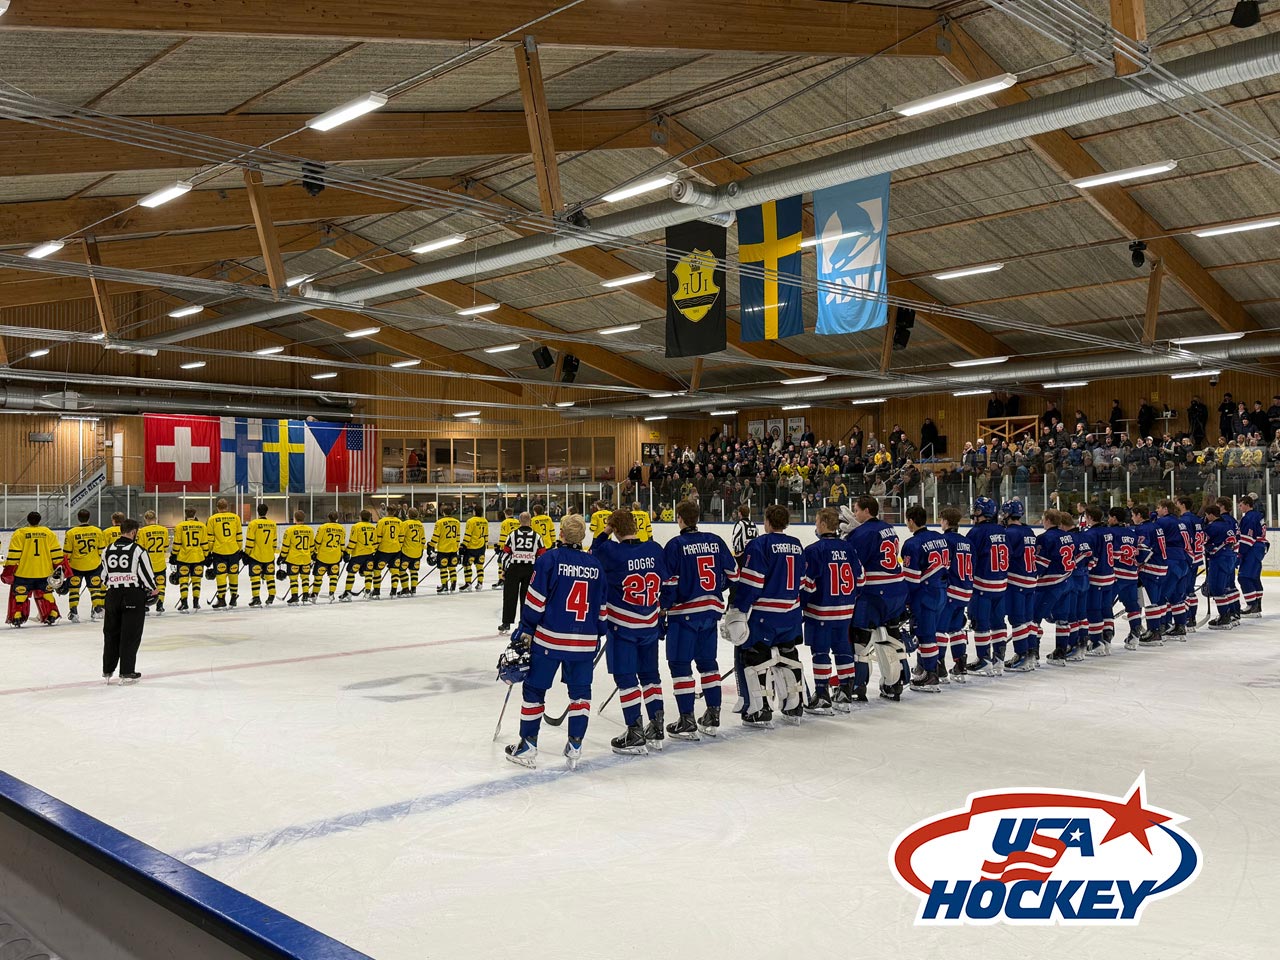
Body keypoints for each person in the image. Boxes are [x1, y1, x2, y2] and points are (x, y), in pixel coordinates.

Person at [501, 514, 606, 770]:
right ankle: (576, 745)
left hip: (549, 641)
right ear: (582, 537)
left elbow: (535, 601)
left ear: (560, 534)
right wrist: (598, 633)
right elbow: (601, 609)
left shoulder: (550, 559)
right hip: (583, 644)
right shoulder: (596, 565)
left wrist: (525, 628)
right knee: (581, 695)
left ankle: (527, 745)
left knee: (535, 690)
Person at [592, 509, 669, 754]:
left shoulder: (610, 551)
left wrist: (605, 531)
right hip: (649, 625)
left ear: (615, 529)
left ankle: (635, 731)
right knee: (650, 676)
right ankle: (656, 726)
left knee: (626, 679)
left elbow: (593, 550)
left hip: (623, 627)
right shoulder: (655, 549)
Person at [661, 499, 737, 738]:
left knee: (680, 665)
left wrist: (663, 607)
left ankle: (687, 719)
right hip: (709, 614)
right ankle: (713, 715)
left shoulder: (675, 545)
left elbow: (669, 583)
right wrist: (716, 589)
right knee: (708, 664)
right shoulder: (715, 541)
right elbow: (733, 573)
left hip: (684, 615)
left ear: (679, 519)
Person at [725, 504, 805, 725]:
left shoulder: (760, 544)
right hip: (790, 613)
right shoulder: (797, 545)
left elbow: (752, 583)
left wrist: (737, 609)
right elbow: (802, 582)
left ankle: (757, 709)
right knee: (788, 653)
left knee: (752, 654)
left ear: (767, 522)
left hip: (765, 615)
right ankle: (794, 705)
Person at [844, 495, 909, 701]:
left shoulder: (863, 533)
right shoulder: (888, 528)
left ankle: (858, 687)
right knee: (892, 635)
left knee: (860, 640)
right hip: (896, 590)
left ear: (866, 510)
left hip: (874, 592)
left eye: (856, 510)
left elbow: (854, 564)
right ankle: (896, 683)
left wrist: (848, 539)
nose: (854, 514)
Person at [799, 507, 862, 713]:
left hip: (821, 611)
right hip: (845, 611)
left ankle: (822, 694)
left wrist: (801, 605)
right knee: (843, 649)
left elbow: (807, 584)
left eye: (817, 522)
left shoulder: (814, 550)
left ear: (824, 524)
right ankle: (845, 692)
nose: (815, 526)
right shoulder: (849, 548)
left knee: (820, 651)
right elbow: (860, 579)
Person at [101, 518, 158, 684]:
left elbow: (103, 576)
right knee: (130, 634)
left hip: (112, 595)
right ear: (133, 532)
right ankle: (126, 671)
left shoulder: (107, 549)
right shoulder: (138, 550)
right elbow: (147, 575)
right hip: (133, 594)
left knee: (111, 632)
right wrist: (154, 589)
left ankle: (107, 670)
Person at [900, 506, 949, 693]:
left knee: (925, 635)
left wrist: (906, 601)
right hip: (941, 592)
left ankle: (931, 675)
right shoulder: (940, 538)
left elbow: (911, 580)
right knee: (932, 634)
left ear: (911, 520)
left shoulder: (912, 544)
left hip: (924, 595)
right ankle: (925, 669)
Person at [965, 497, 1009, 676]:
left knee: (980, 622)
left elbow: (969, 560)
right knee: (998, 622)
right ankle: (998, 659)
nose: (974, 513)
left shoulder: (976, 532)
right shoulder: (1003, 530)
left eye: (977, 510)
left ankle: (984, 660)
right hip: (1001, 584)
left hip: (983, 584)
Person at [3, 511, 66, 627]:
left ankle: (17, 617)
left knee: (20, 596)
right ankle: (52, 613)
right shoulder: (48, 533)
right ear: (39, 520)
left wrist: (8, 569)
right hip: (44, 573)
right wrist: (61, 568)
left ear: (27, 520)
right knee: (47, 594)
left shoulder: (20, 533)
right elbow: (56, 554)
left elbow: (14, 555)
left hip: (24, 573)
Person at [1001, 500, 1041, 671]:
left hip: (1016, 580)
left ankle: (1022, 655)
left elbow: (1006, 558)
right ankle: (1031, 654)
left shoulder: (1010, 533)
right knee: (1028, 620)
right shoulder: (1029, 530)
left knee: (1017, 620)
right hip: (1031, 580)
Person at [938, 507, 973, 683]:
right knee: (956, 628)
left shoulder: (945, 541)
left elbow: (942, 566)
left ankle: (939, 667)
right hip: (966, 590)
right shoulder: (966, 542)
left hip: (951, 589)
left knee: (940, 629)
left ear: (945, 521)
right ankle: (960, 665)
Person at [499, 513, 544, 634]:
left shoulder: (512, 535)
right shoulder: (537, 536)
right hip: (530, 569)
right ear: (530, 521)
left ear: (519, 521)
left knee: (509, 596)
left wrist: (504, 569)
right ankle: (524, 623)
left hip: (514, 568)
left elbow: (506, 554)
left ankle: (506, 623)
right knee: (527, 598)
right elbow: (541, 555)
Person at [1082, 505, 1116, 654]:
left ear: (1089, 517)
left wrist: (1085, 571)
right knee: (1106, 608)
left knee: (1093, 609)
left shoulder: (1091, 534)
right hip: (1110, 575)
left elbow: (1092, 558)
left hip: (1097, 577)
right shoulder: (1108, 531)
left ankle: (1096, 642)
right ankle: (1106, 638)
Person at [1131, 505, 1167, 646]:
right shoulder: (1155, 526)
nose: (1132, 518)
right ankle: (1157, 629)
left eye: (1133, 514)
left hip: (1151, 568)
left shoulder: (1143, 529)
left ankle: (1154, 632)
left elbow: (1145, 549)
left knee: (1150, 601)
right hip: (1162, 566)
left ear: (1139, 515)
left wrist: (1137, 564)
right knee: (1156, 600)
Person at [64, 508, 107, 622]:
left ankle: (74, 612)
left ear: (78, 518)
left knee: (74, 589)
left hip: (76, 566)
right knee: (95, 589)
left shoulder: (71, 532)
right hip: (94, 565)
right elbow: (101, 550)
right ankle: (97, 610)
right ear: (89, 518)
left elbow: (67, 553)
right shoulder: (98, 531)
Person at [1156, 500, 1190, 639]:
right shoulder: (1180, 522)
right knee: (1176, 596)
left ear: (1165, 509)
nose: (1157, 510)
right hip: (1183, 560)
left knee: (1161, 595)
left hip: (1171, 561)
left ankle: (1161, 626)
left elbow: (1155, 538)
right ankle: (1180, 626)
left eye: (1158, 508)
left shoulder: (1164, 522)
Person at [1203, 503, 1241, 629]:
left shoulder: (1213, 527)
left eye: (1207, 515)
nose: (1206, 517)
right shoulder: (1227, 524)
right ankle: (1231, 613)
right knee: (1227, 586)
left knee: (1217, 588)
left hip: (1219, 559)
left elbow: (1202, 540)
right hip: (1230, 557)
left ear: (1212, 515)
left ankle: (1224, 617)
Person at [170, 507, 208, 613]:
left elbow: (177, 543)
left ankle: (184, 603)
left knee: (183, 581)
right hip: (198, 557)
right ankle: (196, 603)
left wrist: (173, 555)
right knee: (196, 581)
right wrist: (206, 555)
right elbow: (204, 543)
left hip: (183, 558)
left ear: (185, 515)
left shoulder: (180, 526)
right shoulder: (202, 526)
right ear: (195, 514)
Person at [1176, 495, 1205, 630]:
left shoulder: (1185, 520)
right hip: (1197, 557)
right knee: (1190, 589)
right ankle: (1191, 617)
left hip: (1188, 558)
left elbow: (1186, 541)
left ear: (1182, 504)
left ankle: (1188, 617)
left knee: (1185, 590)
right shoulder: (1196, 519)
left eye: (1177, 503)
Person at [1237, 494, 1268, 617]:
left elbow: (1247, 539)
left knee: (1244, 577)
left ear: (1246, 504)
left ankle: (1251, 606)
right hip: (1259, 548)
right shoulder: (1258, 515)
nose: (1240, 508)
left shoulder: (1248, 518)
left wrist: (1240, 554)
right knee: (1254, 577)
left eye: (1241, 505)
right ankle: (1257, 606)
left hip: (1252, 549)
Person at [278, 510, 315, 605]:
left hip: (293, 559)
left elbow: (286, 546)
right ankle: (305, 594)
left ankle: (295, 596)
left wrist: (281, 557)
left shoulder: (290, 530)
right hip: (306, 558)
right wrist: (312, 555)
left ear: (295, 518)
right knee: (305, 578)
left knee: (293, 579)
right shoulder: (310, 530)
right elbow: (312, 546)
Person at [244, 503, 278, 607]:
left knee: (255, 578)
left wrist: (247, 554)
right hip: (269, 555)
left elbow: (250, 541)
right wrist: (271, 552)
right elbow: (274, 542)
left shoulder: (253, 524)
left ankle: (256, 598)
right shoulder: (273, 524)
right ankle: (271, 595)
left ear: (257, 511)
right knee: (270, 576)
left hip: (256, 556)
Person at [138, 511, 171, 616]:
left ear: (145, 519)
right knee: (161, 584)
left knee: (145, 585)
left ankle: (146, 605)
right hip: (160, 562)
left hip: (147, 564)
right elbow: (165, 546)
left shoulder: (142, 531)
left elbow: (140, 548)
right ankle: (160, 604)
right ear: (156, 519)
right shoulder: (164, 530)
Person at [341, 510, 378, 601]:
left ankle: (347, 592)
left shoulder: (356, 526)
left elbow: (353, 541)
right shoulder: (373, 528)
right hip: (369, 554)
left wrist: (347, 552)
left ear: (360, 517)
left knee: (351, 573)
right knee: (368, 573)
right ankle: (368, 592)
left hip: (358, 555)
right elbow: (375, 543)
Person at [311, 511, 346, 603]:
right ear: (337, 518)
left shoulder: (323, 527)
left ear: (328, 518)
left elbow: (317, 542)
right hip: (335, 556)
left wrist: (314, 552)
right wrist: (343, 553)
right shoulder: (341, 528)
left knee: (318, 577)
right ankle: (331, 594)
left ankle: (314, 595)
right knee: (333, 576)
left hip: (323, 556)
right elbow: (342, 543)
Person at [371, 507, 404, 599]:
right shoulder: (400, 522)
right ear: (394, 512)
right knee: (395, 571)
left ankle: (376, 591)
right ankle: (394, 591)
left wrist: (374, 549)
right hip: (396, 550)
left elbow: (378, 537)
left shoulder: (381, 522)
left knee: (377, 570)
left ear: (387, 511)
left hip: (383, 550)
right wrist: (398, 546)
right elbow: (401, 537)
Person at [428, 504, 462, 594]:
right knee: (452, 567)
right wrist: (457, 546)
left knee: (443, 568)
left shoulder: (440, 522)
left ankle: (444, 586)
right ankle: (453, 584)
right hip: (454, 548)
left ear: (443, 512)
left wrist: (431, 545)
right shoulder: (457, 522)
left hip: (443, 549)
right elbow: (458, 536)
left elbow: (436, 536)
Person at [461, 506, 489, 592]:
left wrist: (464, 545)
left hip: (471, 547)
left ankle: (468, 583)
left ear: (474, 512)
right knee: (479, 565)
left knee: (467, 565)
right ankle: (480, 583)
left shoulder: (471, 521)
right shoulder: (485, 521)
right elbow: (486, 534)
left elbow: (468, 534)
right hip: (481, 546)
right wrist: (486, 544)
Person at [495, 508, 519, 591]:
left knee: (500, 562)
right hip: (516, 546)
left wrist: (500, 546)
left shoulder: (505, 522)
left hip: (507, 546)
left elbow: (503, 535)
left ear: (505, 514)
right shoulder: (517, 521)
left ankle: (502, 579)